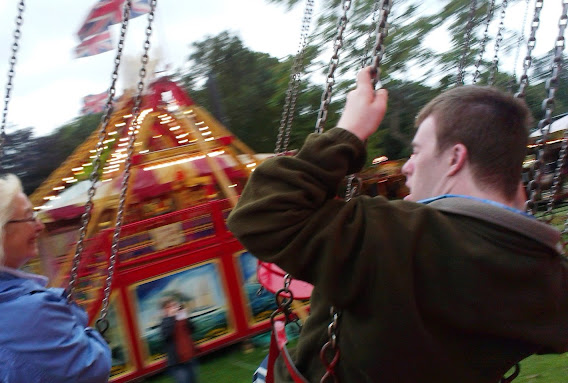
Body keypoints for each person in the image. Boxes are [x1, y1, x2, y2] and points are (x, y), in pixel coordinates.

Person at [227, 67, 568, 383]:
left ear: (455, 158)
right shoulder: (546, 274)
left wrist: (349, 131)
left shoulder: (395, 235)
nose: (407, 167)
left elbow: (261, 213)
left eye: (417, 152)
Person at [0, 174, 112, 383]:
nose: (40, 226)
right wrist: (77, 322)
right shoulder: (29, 314)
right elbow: (91, 370)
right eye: (29, 217)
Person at [160, 296, 198, 383]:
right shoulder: (165, 322)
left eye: (174, 305)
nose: (174, 307)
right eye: (170, 306)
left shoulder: (181, 318)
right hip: (178, 363)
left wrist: (186, 317)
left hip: (190, 358)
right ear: (165, 310)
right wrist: (171, 317)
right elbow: (166, 335)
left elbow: (193, 329)